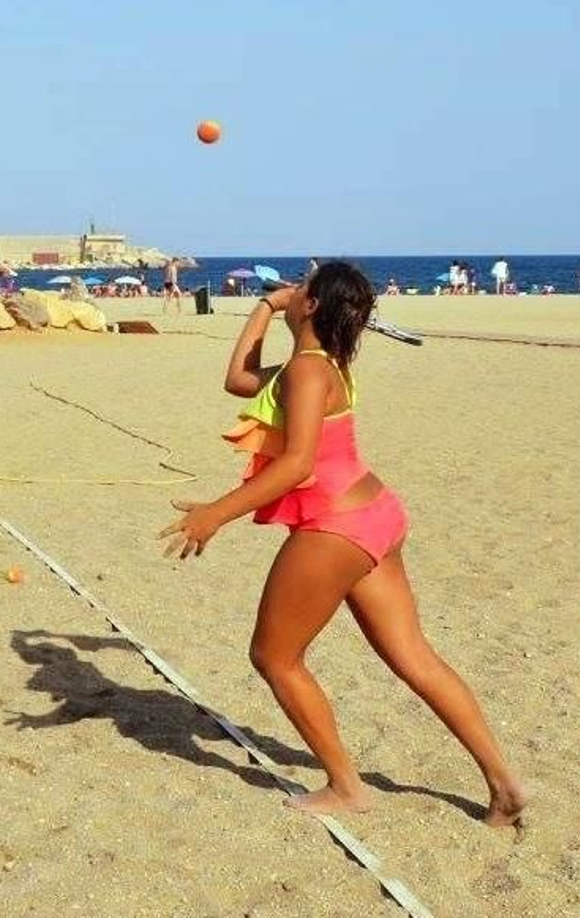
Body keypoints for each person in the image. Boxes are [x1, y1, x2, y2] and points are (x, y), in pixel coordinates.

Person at [157, 263, 525, 824]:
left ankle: (347, 786)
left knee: (275, 658)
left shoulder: (307, 372)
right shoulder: (322, 363)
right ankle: (504, 783)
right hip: (374, 512)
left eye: (301, 287)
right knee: (414, 656)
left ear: (312, 306)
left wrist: (216, 514)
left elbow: (298, 464)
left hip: (337, 526)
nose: (291, 290)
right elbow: (237, 380)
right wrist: (264, 307)